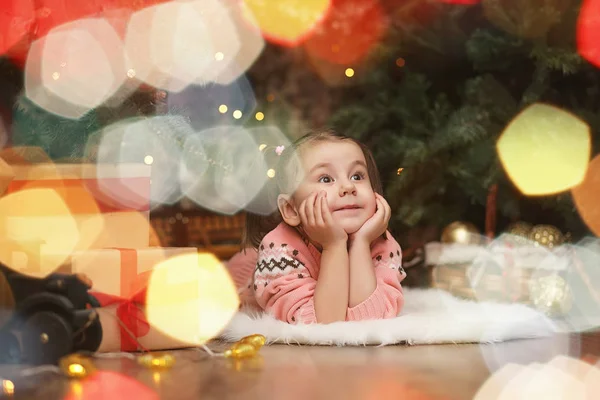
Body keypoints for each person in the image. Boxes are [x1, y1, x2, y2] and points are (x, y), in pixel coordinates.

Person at [234, 130, 406, 324]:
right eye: (326, 179)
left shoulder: (382, 243)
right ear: (291, 209)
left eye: (357, 176)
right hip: (247, 273)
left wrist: (361, 244)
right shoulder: (279, 251)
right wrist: (334, 245)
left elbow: (371, 319)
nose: (348, 187)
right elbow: (323, 323)